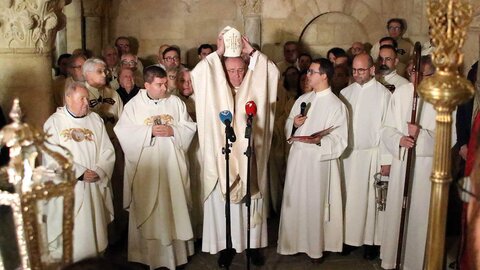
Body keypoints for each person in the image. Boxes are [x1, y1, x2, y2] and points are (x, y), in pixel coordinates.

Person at [191, 29, 279, 267]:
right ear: (223, 71)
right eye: (231, 70)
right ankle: (226, 247)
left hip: (250, 156)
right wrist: (218, 52)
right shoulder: (214, 90)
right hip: (223, 158)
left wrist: (251, 51)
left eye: (241, 69)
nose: (237, 75)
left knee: (251, 201)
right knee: (224, 206)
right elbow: (198, 75)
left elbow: (270, 73)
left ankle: (252, 248)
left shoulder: (254, 86)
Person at [114, 65, 197, 269]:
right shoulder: (133, 106)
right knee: (147, 209)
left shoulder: (175, 102)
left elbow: (189, 126)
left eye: (165, 83)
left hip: (172, 167)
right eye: (159, 85)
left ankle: (176, 256)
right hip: (147, 169)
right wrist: (148, 132)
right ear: (147, 84)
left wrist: (173, 130)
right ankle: (145, 257)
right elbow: (123, 132)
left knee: (173, 206)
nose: (164, 88)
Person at [277, 58, 348, 261]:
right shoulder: (303, 100)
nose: (307, 75)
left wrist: (319, 141)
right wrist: (294, 125)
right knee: (296, 201)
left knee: (314, 203)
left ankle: (315, 248)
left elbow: (341, 139)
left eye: (311, 72)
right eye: (308, 71)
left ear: (324, 75)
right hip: (298, 160)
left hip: (319, 163)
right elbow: (288, 127)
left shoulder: (336, 105)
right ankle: (293, 244)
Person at [379, 56, 440, 270]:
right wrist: (399, 139)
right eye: (414, 72)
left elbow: (448, 139)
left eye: (423, 74)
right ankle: (394, 259)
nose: (417, 78)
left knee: (421, 215)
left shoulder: (442, 97)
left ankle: (419, 262)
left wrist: (420, 135)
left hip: (426, 168)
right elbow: (387, 128)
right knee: (398, 212)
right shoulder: (402, 93)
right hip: (403, 163)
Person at [44, 81, 115, 261]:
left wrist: (99, 169)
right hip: (69, 187)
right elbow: (52, 155)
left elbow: (107, 150)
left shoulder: (95, 120)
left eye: (87, 98)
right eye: (81, 99)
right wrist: (80, 172)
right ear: (68, 98)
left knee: (95, 229)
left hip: (94, 185)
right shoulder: (55, 122)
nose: (86, 102)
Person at [339, 53, 391, 260]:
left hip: (372, 155)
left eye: (361, 70)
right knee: (348, 200)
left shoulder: (384, 95)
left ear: (372, 70)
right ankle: (349, 240)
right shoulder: (345, 92)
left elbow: (388, 128)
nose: (357, 74)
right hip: (348, 155)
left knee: (370, 202)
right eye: (354, 70)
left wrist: (385, 161)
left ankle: (371, 242)